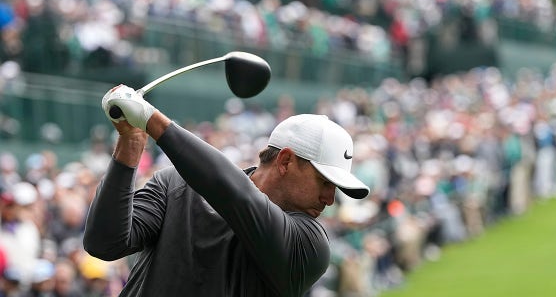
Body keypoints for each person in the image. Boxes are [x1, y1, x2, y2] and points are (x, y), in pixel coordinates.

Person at [83, 85, 370, 296]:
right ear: (285, 161)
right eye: (325, 182)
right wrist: (132, 141)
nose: (330, 199)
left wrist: (151, 120)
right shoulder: (175, 184)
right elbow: (104, 243)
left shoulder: (310, 244)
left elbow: (237, 195)